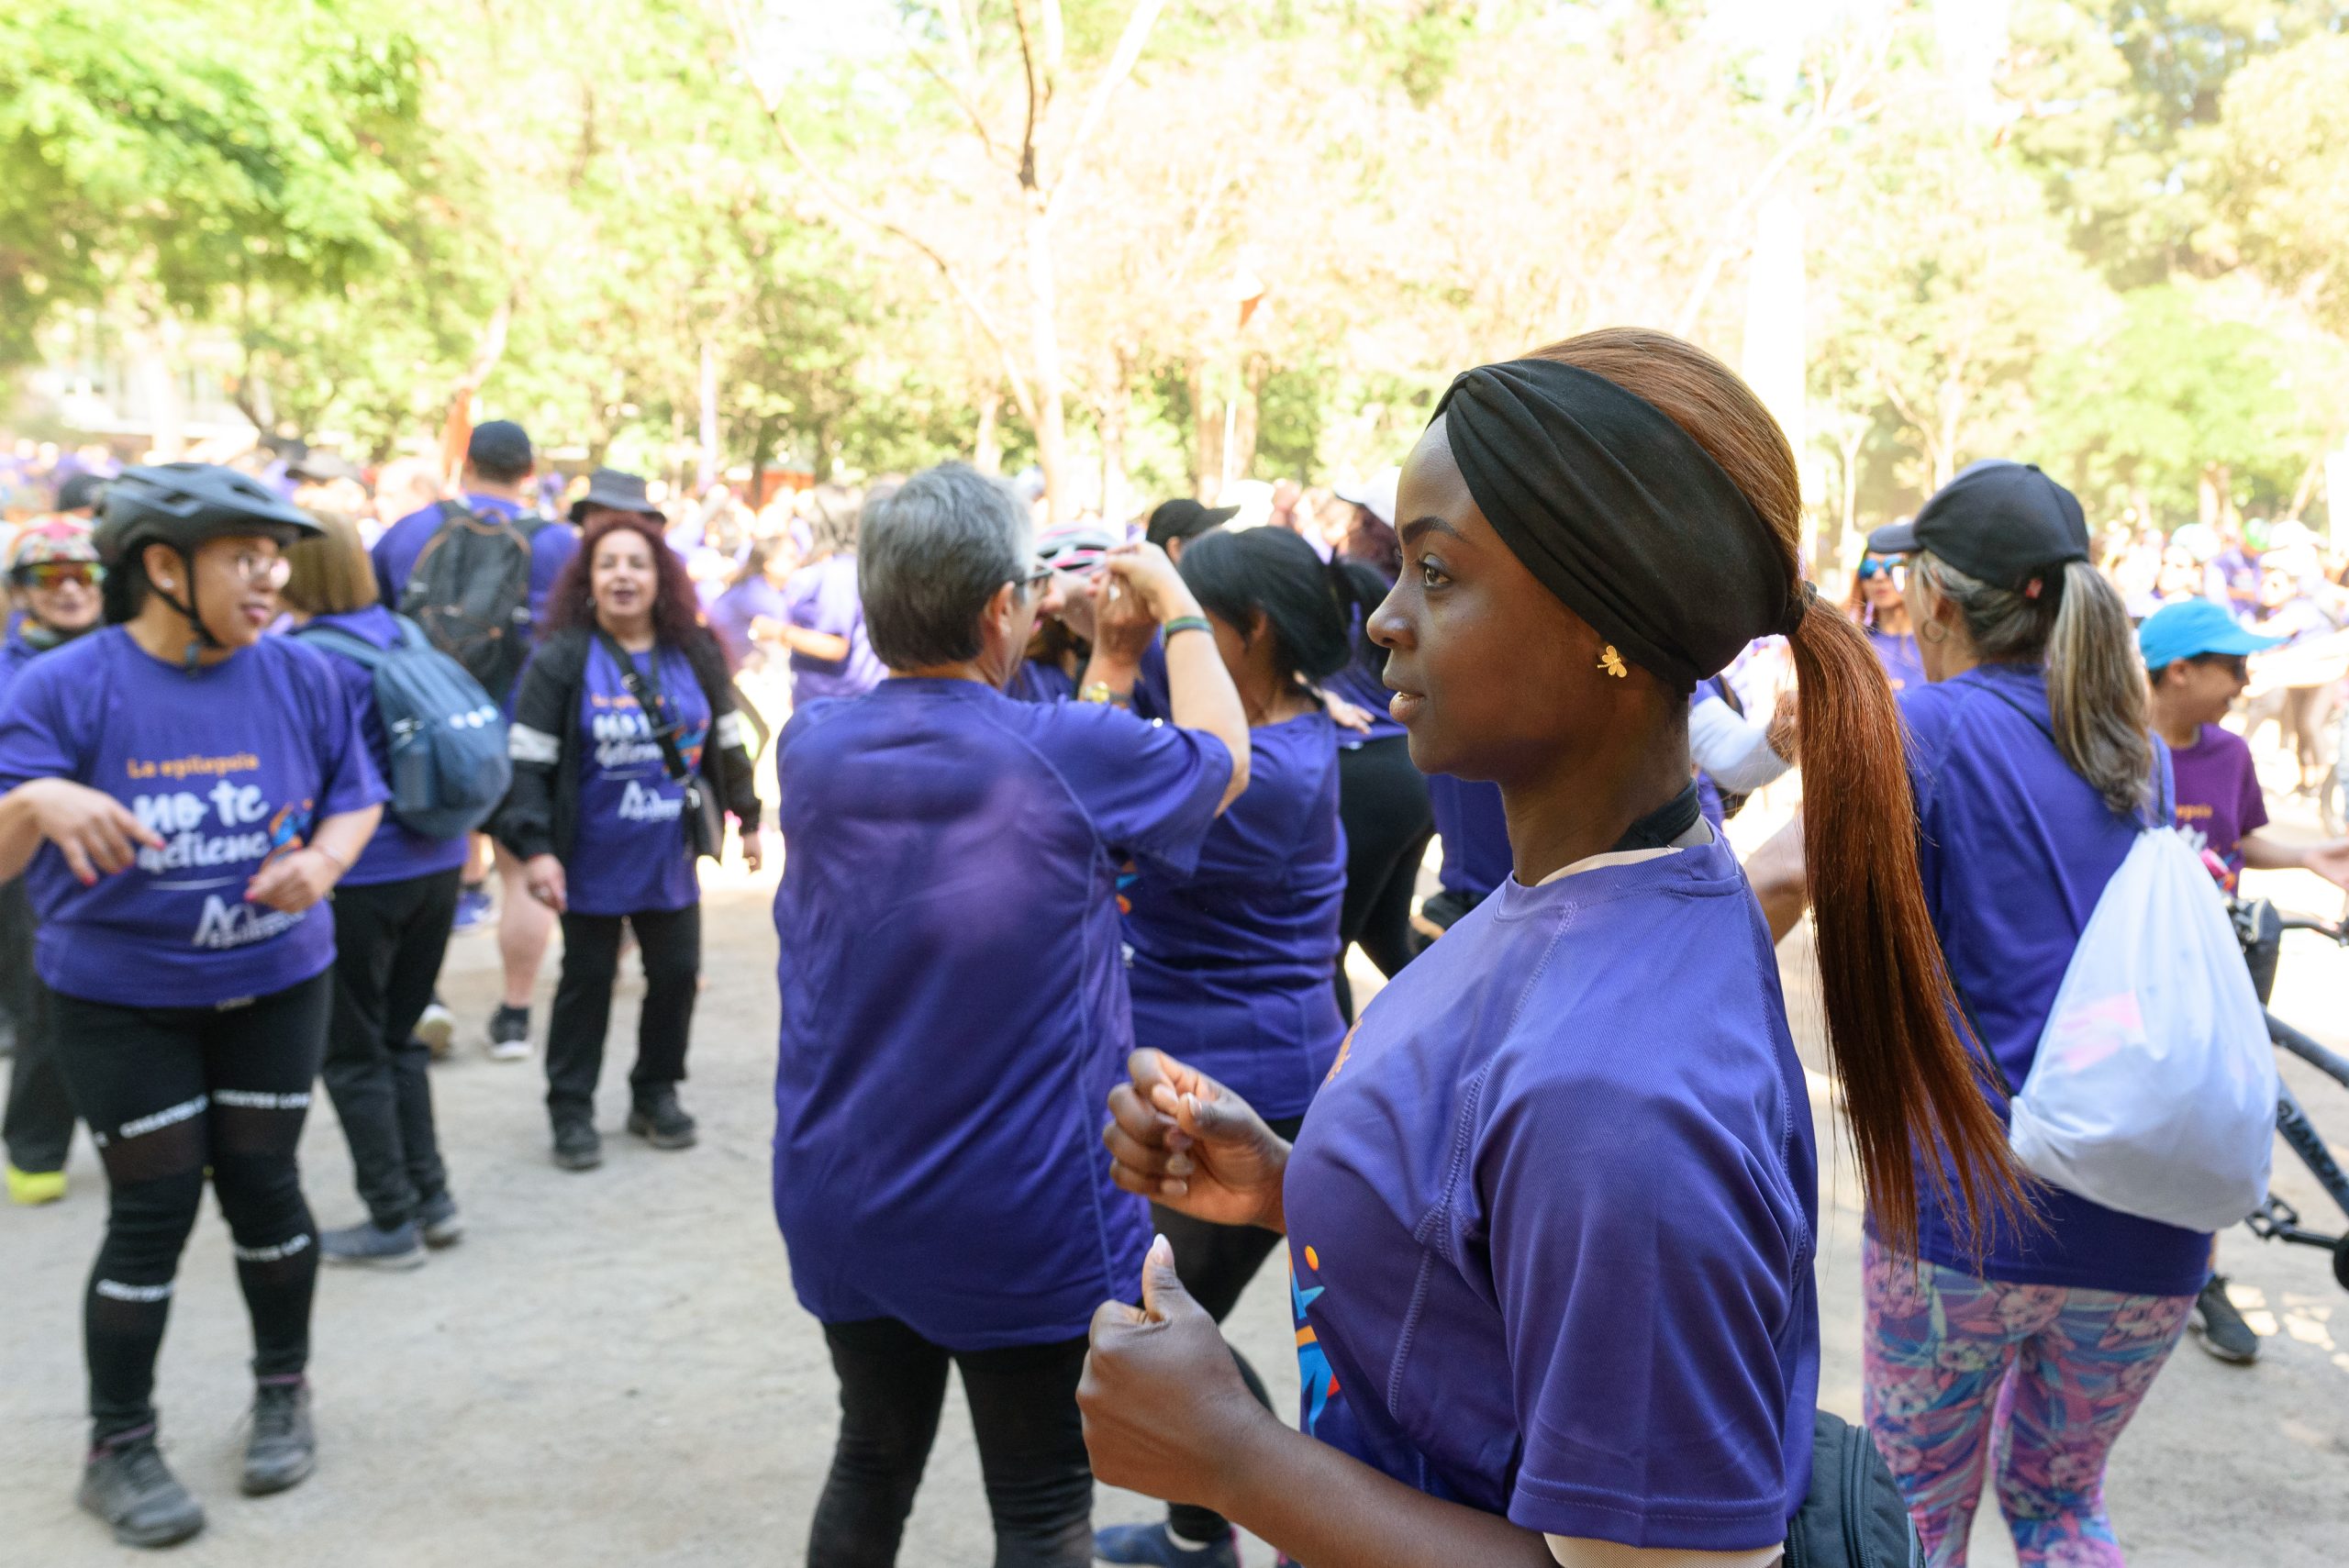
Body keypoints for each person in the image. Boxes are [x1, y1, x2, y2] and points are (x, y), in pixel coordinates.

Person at [1083, 333, 2014, 1568]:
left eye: (1436, 573)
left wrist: (1229, 1457)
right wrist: (1299, 1185)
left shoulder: (1620, 1100)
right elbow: (1497, 1242)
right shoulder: (1610, 886)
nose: (1384, 619)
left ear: (1605, 627)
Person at [770, 462, 1249, 1568]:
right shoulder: (1060, 752)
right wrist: (1176, 606)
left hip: (844, 1192)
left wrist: (1104, 661)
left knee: (870, 1459)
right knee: (1038, 1506)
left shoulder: (812, 745)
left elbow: (1048, 783)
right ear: (1001, 607)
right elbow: (1221, 761)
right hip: (1021, 1212)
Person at [1752, 461, 2202, 1566]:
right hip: (2150, 1219)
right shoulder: (2136, 749)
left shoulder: (1922, 730)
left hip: (1968, 1212)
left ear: (1935, 599)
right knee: (2062, 1505)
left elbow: (1775, 880)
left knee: (1913, 1513)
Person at [0, 463, 385, 1547]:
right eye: (243, 557)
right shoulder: (63, 685)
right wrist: (36, 797)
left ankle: (283, 1391)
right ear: (163, 566)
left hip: (276, 981)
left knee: (267, 1189)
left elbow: (355, 797)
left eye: (275, 558)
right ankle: (117, 1445)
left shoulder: (305, 672)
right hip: (122, 1000)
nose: (269, 578)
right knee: (153, 1210)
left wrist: (323, 860)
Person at [1094, 526, 1350, 1568]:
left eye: (1190, 619)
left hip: (1241, 1088)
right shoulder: (1270, 733)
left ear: (1251, 631)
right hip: (1226, 1067)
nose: (1176, 639)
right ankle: (1202, 1528)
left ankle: (1260, 1515)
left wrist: (1111, 666)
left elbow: (1089, 793)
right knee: (1149, 1308)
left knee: (1145, 1315)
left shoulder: (1269, 769)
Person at [497, 473, 761, 1172]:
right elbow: (528, 762)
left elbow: (727, 739)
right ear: (588, 578)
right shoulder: (561, 658)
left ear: (659, 577)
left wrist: (750, 817)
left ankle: (656, 1094)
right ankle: (571, 1108)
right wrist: (536, 850)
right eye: (607, 563)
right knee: (586, 984)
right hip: (588, 861)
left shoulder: (695, 652)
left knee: (676, 975)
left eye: (637, 564)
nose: (622, 576)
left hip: (669, 857)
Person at [2139, 595, 2349, 1369]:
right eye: (2232, 666)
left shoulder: (2229, 753)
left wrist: (2307, 856)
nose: (2245, 682)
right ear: (2178, 671)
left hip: (2222, 967)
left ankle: (2201, 1277)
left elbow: (2240, 836)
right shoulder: (2114, 750)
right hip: (2135, 977)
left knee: (2211, 1123)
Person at [280, 512, 472, 1267]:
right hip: (438, 859)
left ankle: (392, 1217)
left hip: (359, 872)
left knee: (353, 1051)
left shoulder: (305, 658)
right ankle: (433, 1197)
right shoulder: (400, 631)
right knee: (401, 1038)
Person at [373, 421, 579, 1060]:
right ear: (529, 471)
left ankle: (424, 1001)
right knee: (521, 872)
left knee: (428, 869)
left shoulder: (409, 532)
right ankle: (514, 1016)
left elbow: (378, 623)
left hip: (424, 731)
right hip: (522, 730)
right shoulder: (559, 544)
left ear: (465, 464)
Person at [2, 517, 106, 1206]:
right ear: (21, 591)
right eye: (50, 577)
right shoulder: (11, 671)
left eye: (83, 574)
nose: (69, 589)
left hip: (130, 854)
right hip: (34, 868)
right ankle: (36, 1151)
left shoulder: (135, 653)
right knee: (45, 1005)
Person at [1320, 468, 1435, 1021]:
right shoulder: (1426, 594)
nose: (1351, 530)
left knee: (1325, 951)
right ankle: (1461, 1042)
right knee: (1385, 938)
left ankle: (1337, 1072)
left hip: (1366, 771)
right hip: (1408, 774)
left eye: (1365, 522)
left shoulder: (1356, 592)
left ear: (1391, 535)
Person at [777, 484, 887, 707]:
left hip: (836, 701)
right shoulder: (844, 566)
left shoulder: (839, 574)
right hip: (828, 698)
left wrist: (777, 631)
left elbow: (835, 646)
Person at [1847, 549, 1924, 692]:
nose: (1878, 576)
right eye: (1869, 568)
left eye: (1892, 566)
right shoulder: (1855, 645)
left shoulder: (1935, 643)